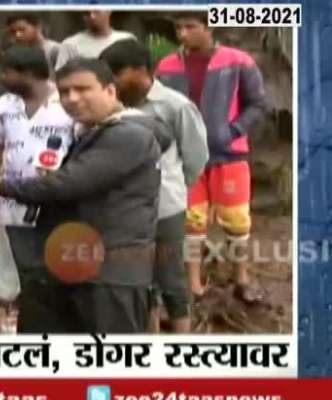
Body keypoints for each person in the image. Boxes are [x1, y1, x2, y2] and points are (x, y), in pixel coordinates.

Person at [0, 58, 166, 333]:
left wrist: (1, 186)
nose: (72, 98)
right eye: (64, 92)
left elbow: (68, 185)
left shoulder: (128, 135)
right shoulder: (91, 133)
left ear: (110, 90)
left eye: (83, 89)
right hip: (73, 267)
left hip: (109, 275)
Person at [156, 12, 267, 303]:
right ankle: (194, 283)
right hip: (185, 156)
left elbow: (257, 103)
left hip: (228, 155)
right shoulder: (166, 67)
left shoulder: (237, 60)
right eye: (178, 27)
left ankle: (241, 277)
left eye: (190, 27)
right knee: (192, 220)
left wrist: (231, 131)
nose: (182, 33)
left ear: (208, 27)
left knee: (237, 219)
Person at [101, 39, 209, 333]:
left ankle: (182, 344)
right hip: (128, 211)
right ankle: (151, 342)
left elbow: (196, 157)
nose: (109, 82)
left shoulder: (176, 106)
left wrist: (174, 187)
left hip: (166, 207)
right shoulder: (112, 107)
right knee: (140, 279)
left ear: (140, 70)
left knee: (171, 277)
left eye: (115, 74)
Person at [0, 44, 75, 330]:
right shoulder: (4, 105)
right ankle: (32, 331)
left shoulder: (68, 102)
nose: (2, 77)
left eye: (7, 72)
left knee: (57, 272)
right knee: (26, 274)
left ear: (28, 73)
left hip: (58, 204)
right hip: (12, 205)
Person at [54, 11, 135, 70]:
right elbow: (60, 74)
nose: (92, 16)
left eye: (96, 11)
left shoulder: (127, 39)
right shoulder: (70, 44)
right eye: (87, 13)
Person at [5, 13, 61, 78]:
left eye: (22, 29)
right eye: (13, 32)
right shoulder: (21, 55)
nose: (17, 35)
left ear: (38, 27)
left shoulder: (55, 50)